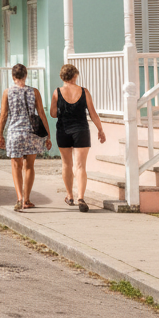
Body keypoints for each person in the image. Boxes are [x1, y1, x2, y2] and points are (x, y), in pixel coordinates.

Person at [51, 64, 106, 212]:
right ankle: (81, 197)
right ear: (75, 76)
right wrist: (100, 130)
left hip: (63, 131)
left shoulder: (57, 92)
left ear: (62, 77)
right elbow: (93, 113)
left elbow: (53, 114)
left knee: (66, 164)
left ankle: (70, 196)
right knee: (80, 166)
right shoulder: (84, 91)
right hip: (81, 130)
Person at [0, 63, 51, 211]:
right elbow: (41, 113)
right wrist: (48, 135)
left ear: (13, 77)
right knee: (29, 167)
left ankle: (20, 198)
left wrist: (0, 134)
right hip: (31, 133)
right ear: (25, 75)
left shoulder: (7, 92)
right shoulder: (34, 92)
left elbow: (4, 115)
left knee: (16, 166)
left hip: (14, 133)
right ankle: (27, 199)